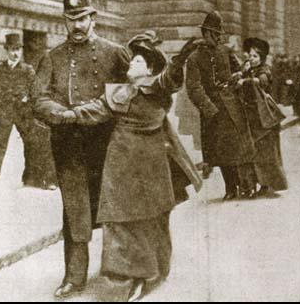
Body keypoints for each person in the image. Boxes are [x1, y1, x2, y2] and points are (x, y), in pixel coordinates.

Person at [55, 34, 203, 302]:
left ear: (148, 68)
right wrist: (68, 115)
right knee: (118, 220)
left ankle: (152, 271)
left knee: (152, 218)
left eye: (137, 61)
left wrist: (181, 57)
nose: (131, 64)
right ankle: (120, 279)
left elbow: (169, 77)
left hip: (151, 166)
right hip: (119, 165)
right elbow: (96, 110)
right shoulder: (119, 91)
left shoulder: (157, 87)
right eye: (132, 59)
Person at [33, 0, 131, 298]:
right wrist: (62, 115)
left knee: (115, 211)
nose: (76, 25)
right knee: (75, 213)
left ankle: (120, 273)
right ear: (64, 21)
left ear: (93, 17)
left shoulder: (114, 53)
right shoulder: (53, 57)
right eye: (70, 18)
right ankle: (74, 278)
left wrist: (88, 113)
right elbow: (38, 98)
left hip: (107, 147)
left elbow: (128, 94)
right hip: (68, 147)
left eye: (82, 18)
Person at [186, 11, 256, 201]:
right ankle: (230, 188)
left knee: (240, 147)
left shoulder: (226, 51)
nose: (218, 38)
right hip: (213, 112)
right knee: (221, 151)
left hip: (233, 106)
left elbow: (239, 70)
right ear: (206, 33)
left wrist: (242, 73)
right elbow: (193, 87)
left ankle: (246, 185)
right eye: (215, 34)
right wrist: (209, 109)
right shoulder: (193, 58)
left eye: (220, 34)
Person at [235, 38, 288, 198]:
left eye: (255, 56)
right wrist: (241, 74)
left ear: (262, 58)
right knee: (251, 152)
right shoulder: (248, 69)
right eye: (250, 55)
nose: (251, 58)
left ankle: (266, 184)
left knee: (266, 153)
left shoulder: (265, 70)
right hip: (250, 118)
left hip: (264, 119)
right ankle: (250, 185)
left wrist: (244, 81)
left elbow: (262, 81)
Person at [0, 34, 35, 183]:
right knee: (2, 143)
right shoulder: (0, 70)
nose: (15, 53)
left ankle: (30, 174)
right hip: (6, 112)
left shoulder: (27, 69)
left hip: (22, 113)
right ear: (7, 50)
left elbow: (35, 89)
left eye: (18, 49)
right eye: (12, 49)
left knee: (29, 142)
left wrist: (27, 99)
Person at [23, 32, 57, 190]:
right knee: (36, 143)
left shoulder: (47, 57)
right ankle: (35, 178)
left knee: (45, 144)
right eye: (32, 42)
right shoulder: (40, 58)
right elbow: (36, 83)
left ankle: (46, 179)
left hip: (47, 106)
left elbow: (41, 84)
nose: (34, 45)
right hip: (37, 106)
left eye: (36, 41)